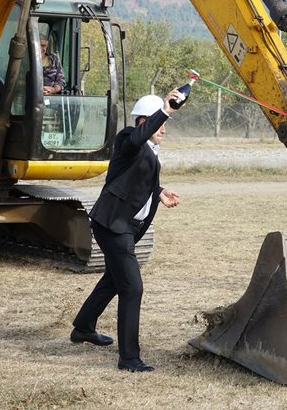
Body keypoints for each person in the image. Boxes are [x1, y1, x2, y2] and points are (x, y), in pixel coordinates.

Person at [70, 90, 183, 372]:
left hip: (127, 226)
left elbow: (134, 180)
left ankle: (83, 327)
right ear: (144, 121)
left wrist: (158, 192)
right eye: (160, 124)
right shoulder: (127, 140)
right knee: (132, 287)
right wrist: (166, 110)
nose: (165, 130)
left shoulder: (148, 150)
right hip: (113, 225)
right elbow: (135, 139)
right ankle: (129, 358)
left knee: (114, 279)